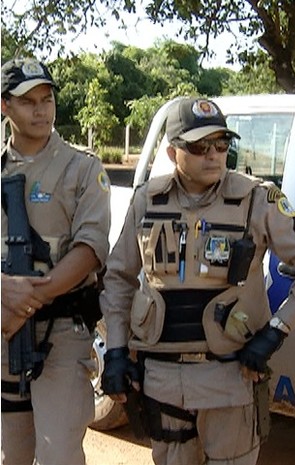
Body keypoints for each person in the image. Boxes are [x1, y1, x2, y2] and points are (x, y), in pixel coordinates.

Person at [99, 96, 295, 465]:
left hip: (230, 378)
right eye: (199, 146)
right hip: (163, 379)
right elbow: (118, 277)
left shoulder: (258, 199)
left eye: (221, 144)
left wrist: (277, 329)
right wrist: (114, 351)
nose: (213, 154)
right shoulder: (147, 202)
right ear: (173, 151)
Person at [1, 57, 111, 465]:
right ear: (4, 106)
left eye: (47, 99)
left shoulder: (81, 168)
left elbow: (90, 249)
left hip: (62, 330)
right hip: (3, 329)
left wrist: (28, 298)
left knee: (58, 453)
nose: (41, 109)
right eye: (28, 101)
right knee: (12, 452)